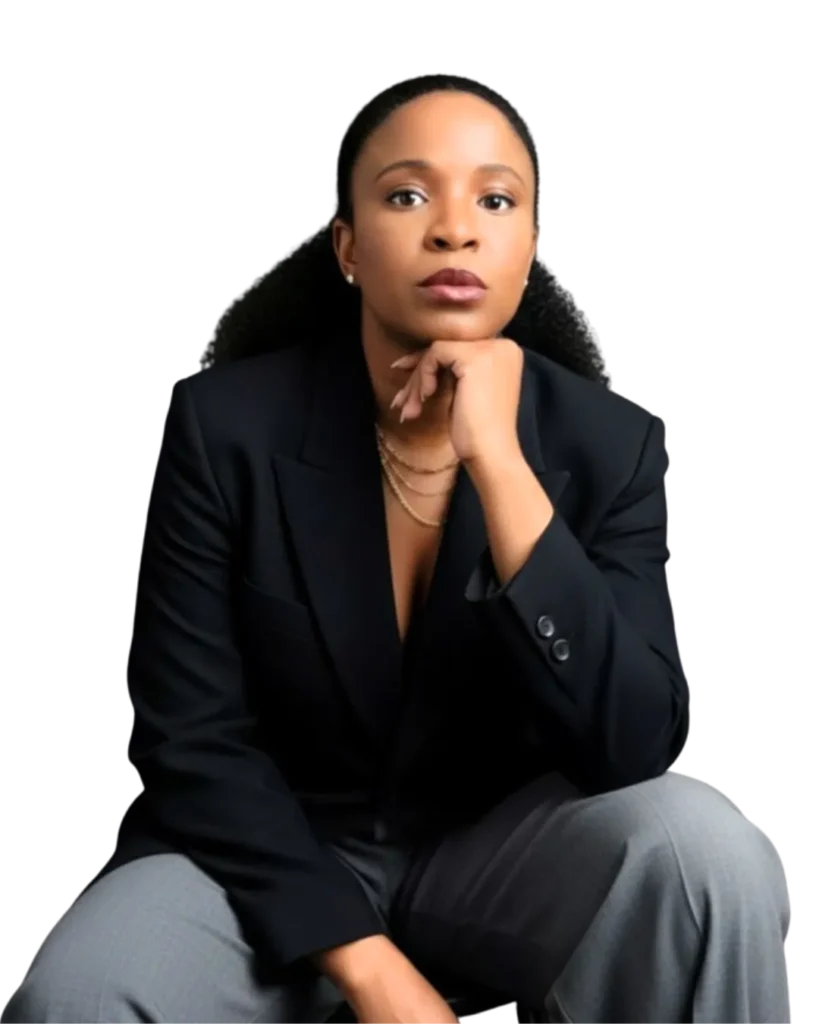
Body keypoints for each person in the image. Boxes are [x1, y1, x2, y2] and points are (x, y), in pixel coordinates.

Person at [5, 72, 790, 1024]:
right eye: (408, 194)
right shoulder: (224, 428)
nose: (454, 230)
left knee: (712, 853)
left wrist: (499, 463)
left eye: (494, 200)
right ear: (347, 247)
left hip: (507, 848)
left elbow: (632, 742)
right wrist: (374, 970)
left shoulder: (613, 446)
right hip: (274, 846)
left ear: (531, 247)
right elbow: (186, 739)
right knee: (84, 989)